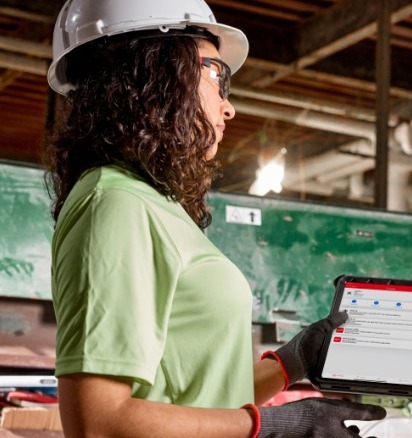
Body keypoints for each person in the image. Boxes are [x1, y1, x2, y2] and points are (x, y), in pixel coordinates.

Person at [43, 0, 385, 436]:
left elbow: (202, 395)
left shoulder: (155, 205)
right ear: (156, 73)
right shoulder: (115, 203)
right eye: (216, 76)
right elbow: (99, 423)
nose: (229, 108)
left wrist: (290, 362)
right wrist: (273, 425)